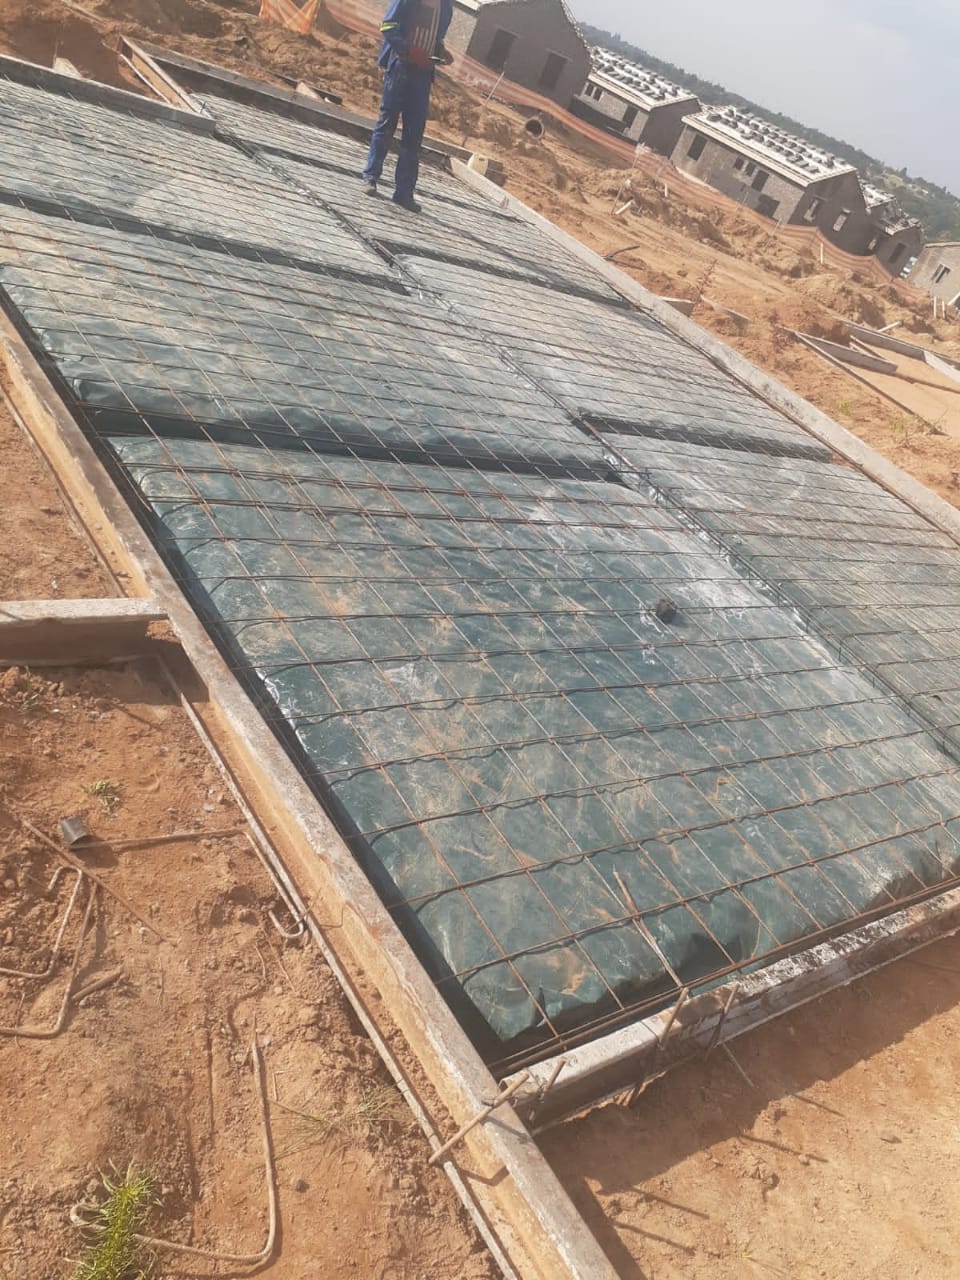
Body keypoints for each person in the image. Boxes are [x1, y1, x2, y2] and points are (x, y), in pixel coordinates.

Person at [361, 0, 454, 212]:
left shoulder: (446, 7)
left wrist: (440, 51)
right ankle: (370, 177)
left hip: (422, 74)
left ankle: (404, 193)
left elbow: (436, 37)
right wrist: (408, 49)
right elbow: (388, 26)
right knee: (386, 124)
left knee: (414, 135)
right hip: (400, 66)